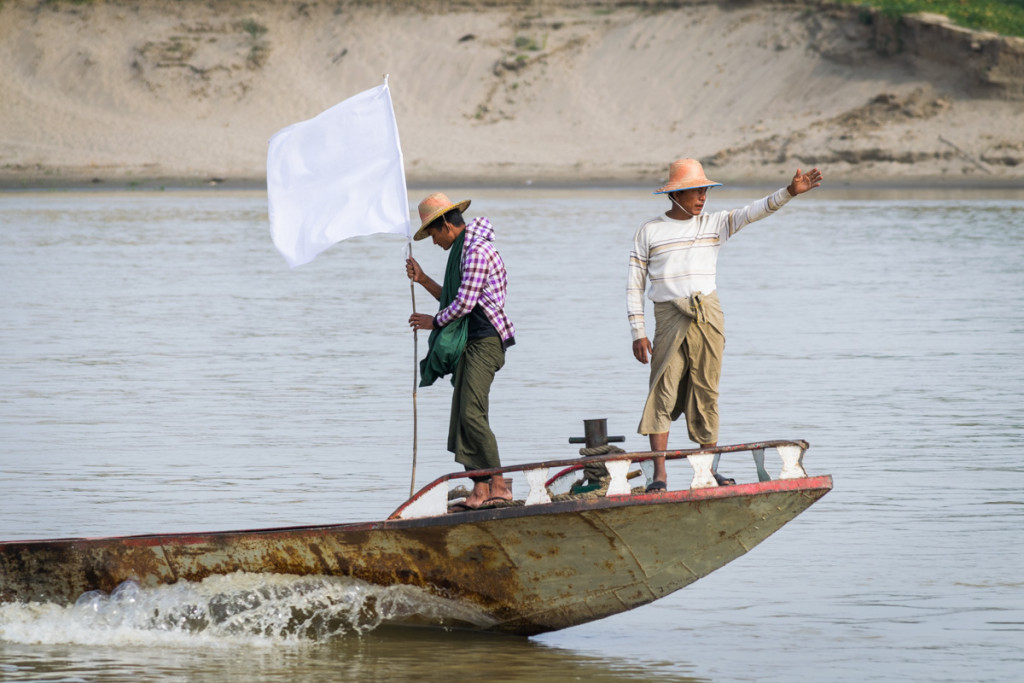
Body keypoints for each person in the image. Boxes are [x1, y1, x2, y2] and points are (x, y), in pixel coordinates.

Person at [627, 158, 823, 491]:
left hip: (708, 316)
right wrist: (638, 332)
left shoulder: (715, 224)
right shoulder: (650, 231)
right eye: (695, 191)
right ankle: (659, 474)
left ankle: (707, 468)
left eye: (705, 190)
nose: (702, 197)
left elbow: (755, 211)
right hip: (668, 316)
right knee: (663, 388)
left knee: (707, 390)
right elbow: (635, 284)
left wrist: (790, 192)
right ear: (676, 194)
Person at [406, 192, 516, 510]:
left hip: (485, 341)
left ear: (446, 225)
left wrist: (434, 322)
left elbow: (464, 305)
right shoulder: (462, 251)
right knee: (462, 419)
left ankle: (498, 484)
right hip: (470, 343)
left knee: (472, 414)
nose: (433, 241)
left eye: (432, 234)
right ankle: (480, 488)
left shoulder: (476, 251)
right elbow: (454, 299)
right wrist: (424, 279)